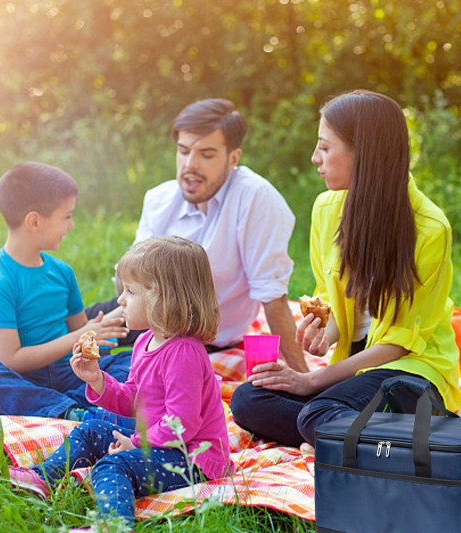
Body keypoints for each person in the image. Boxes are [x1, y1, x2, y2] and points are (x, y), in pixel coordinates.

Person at [230, 90, 461, 447]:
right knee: (249, 398)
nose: (314, 158)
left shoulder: (431, 229)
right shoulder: (327, 209)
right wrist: (326, 332)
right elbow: (334, 299)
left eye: (325, 147)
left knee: (317, 411)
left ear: (364, 154)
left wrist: (311, 382)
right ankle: (368, 434)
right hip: (356, 371)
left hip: (410, 374)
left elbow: (400, 344)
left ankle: (357, 428)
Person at [8, 236, 233, 533]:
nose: (121, 300)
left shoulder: (184, 354)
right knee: (90, 429)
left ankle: (114, 528)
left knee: (113, 467)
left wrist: (137, 443)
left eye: (130, 291)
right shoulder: (145, 341)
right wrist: (96, 379)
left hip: (192, 459)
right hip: (159, 441)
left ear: (164, 297)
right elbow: (133, 401)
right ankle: (40, 479)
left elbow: (182, 425)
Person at [88, 98, 308, 372]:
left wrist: (305, 383)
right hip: (141, 312)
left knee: (117, 376)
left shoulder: (256, 200)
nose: (190, 165)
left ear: (233, 159)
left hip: (198, 336)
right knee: (52, 331)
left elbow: (272, 297)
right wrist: (94, 329)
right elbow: (128, 282)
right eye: (183, 151)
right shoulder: (160, 198)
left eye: (206, 154)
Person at [0, 162, 132, 419]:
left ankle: (61, 406)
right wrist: (79, 335)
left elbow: (80, 331)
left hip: (71, 372)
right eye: (67, 216)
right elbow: (10, 360)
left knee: (134, 360)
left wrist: (110, 321)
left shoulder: (61, 272)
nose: (71, 225)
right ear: (34, 221)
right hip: (22, 381)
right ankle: (69, 410)